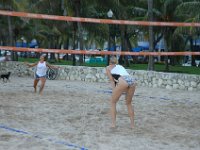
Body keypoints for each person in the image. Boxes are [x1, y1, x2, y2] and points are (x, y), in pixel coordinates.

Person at [106, 56, 137, 128]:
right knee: (128, 103)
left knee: (113, 102)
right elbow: (126, 83)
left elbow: (112, 81)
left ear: (109, 62)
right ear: (116, 62)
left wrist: (114, 92)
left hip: (123, 80)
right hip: (132, 81)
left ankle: (113, 124)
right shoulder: (120, 66)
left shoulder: (108, 68)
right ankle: (132, 125)